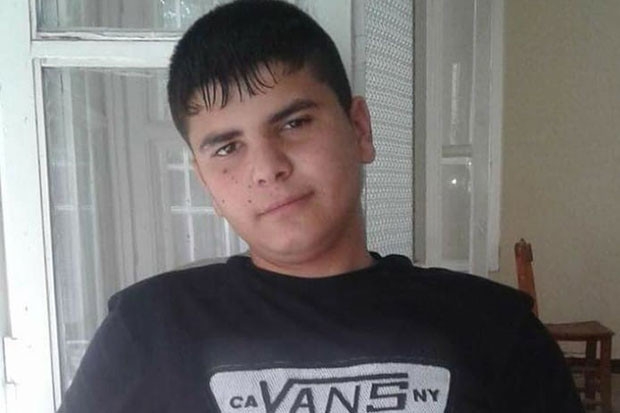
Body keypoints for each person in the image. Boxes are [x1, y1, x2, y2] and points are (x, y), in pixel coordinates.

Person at [58, 1, 584, 412]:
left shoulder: (494, 329)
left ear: (360, 130)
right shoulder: (147, 330)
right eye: (227, 147)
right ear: (204, 181)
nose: (267, 168)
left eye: (293, 123)